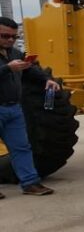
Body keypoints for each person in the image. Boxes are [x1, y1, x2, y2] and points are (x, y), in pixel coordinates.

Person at [0, 16, 60, 198]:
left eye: (13, 36)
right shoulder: (11, 61)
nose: (10, 40)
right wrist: (8, 69)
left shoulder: (15, 54)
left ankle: (30, 183)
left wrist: (47, 80)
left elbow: (30, 69)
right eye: (5, 36)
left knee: (21, 147)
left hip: (13, 109)